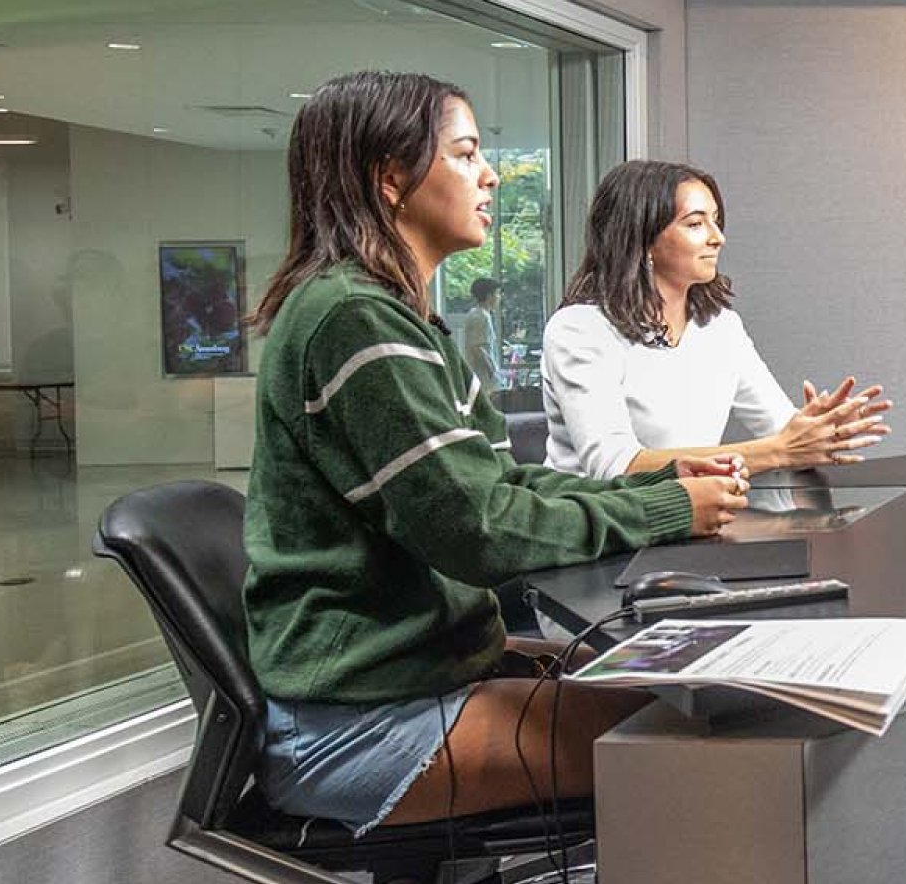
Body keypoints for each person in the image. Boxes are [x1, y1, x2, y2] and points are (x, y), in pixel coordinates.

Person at [239, 71, 750, 834]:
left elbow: (506, 479)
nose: (490, 173)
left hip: (417, 681)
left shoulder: (397, 317)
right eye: (466, 153)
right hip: (361, 727)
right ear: (390, 179)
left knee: (693, 691)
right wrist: (669, 508)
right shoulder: (352, 318)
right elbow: (479, 528)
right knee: (703, 741)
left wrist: (668, 479)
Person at [544, 160, 893, 478]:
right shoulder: (580, 329)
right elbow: (615, 466)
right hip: (601, 534)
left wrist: (820, 432)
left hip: (689, 521)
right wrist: (780, 450)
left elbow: (782, 435)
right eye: (696, 223)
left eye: (716, 220)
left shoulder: (720, 326)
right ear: (643, 240)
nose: (718, 237)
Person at [448, 277, 502, 390]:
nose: (499, 297)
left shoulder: (480, 314)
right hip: (481, 376)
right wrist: (491, 370)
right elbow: (478, 348)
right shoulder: (480, 316)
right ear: (489, 296)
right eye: (497, 294)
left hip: (480, 376)